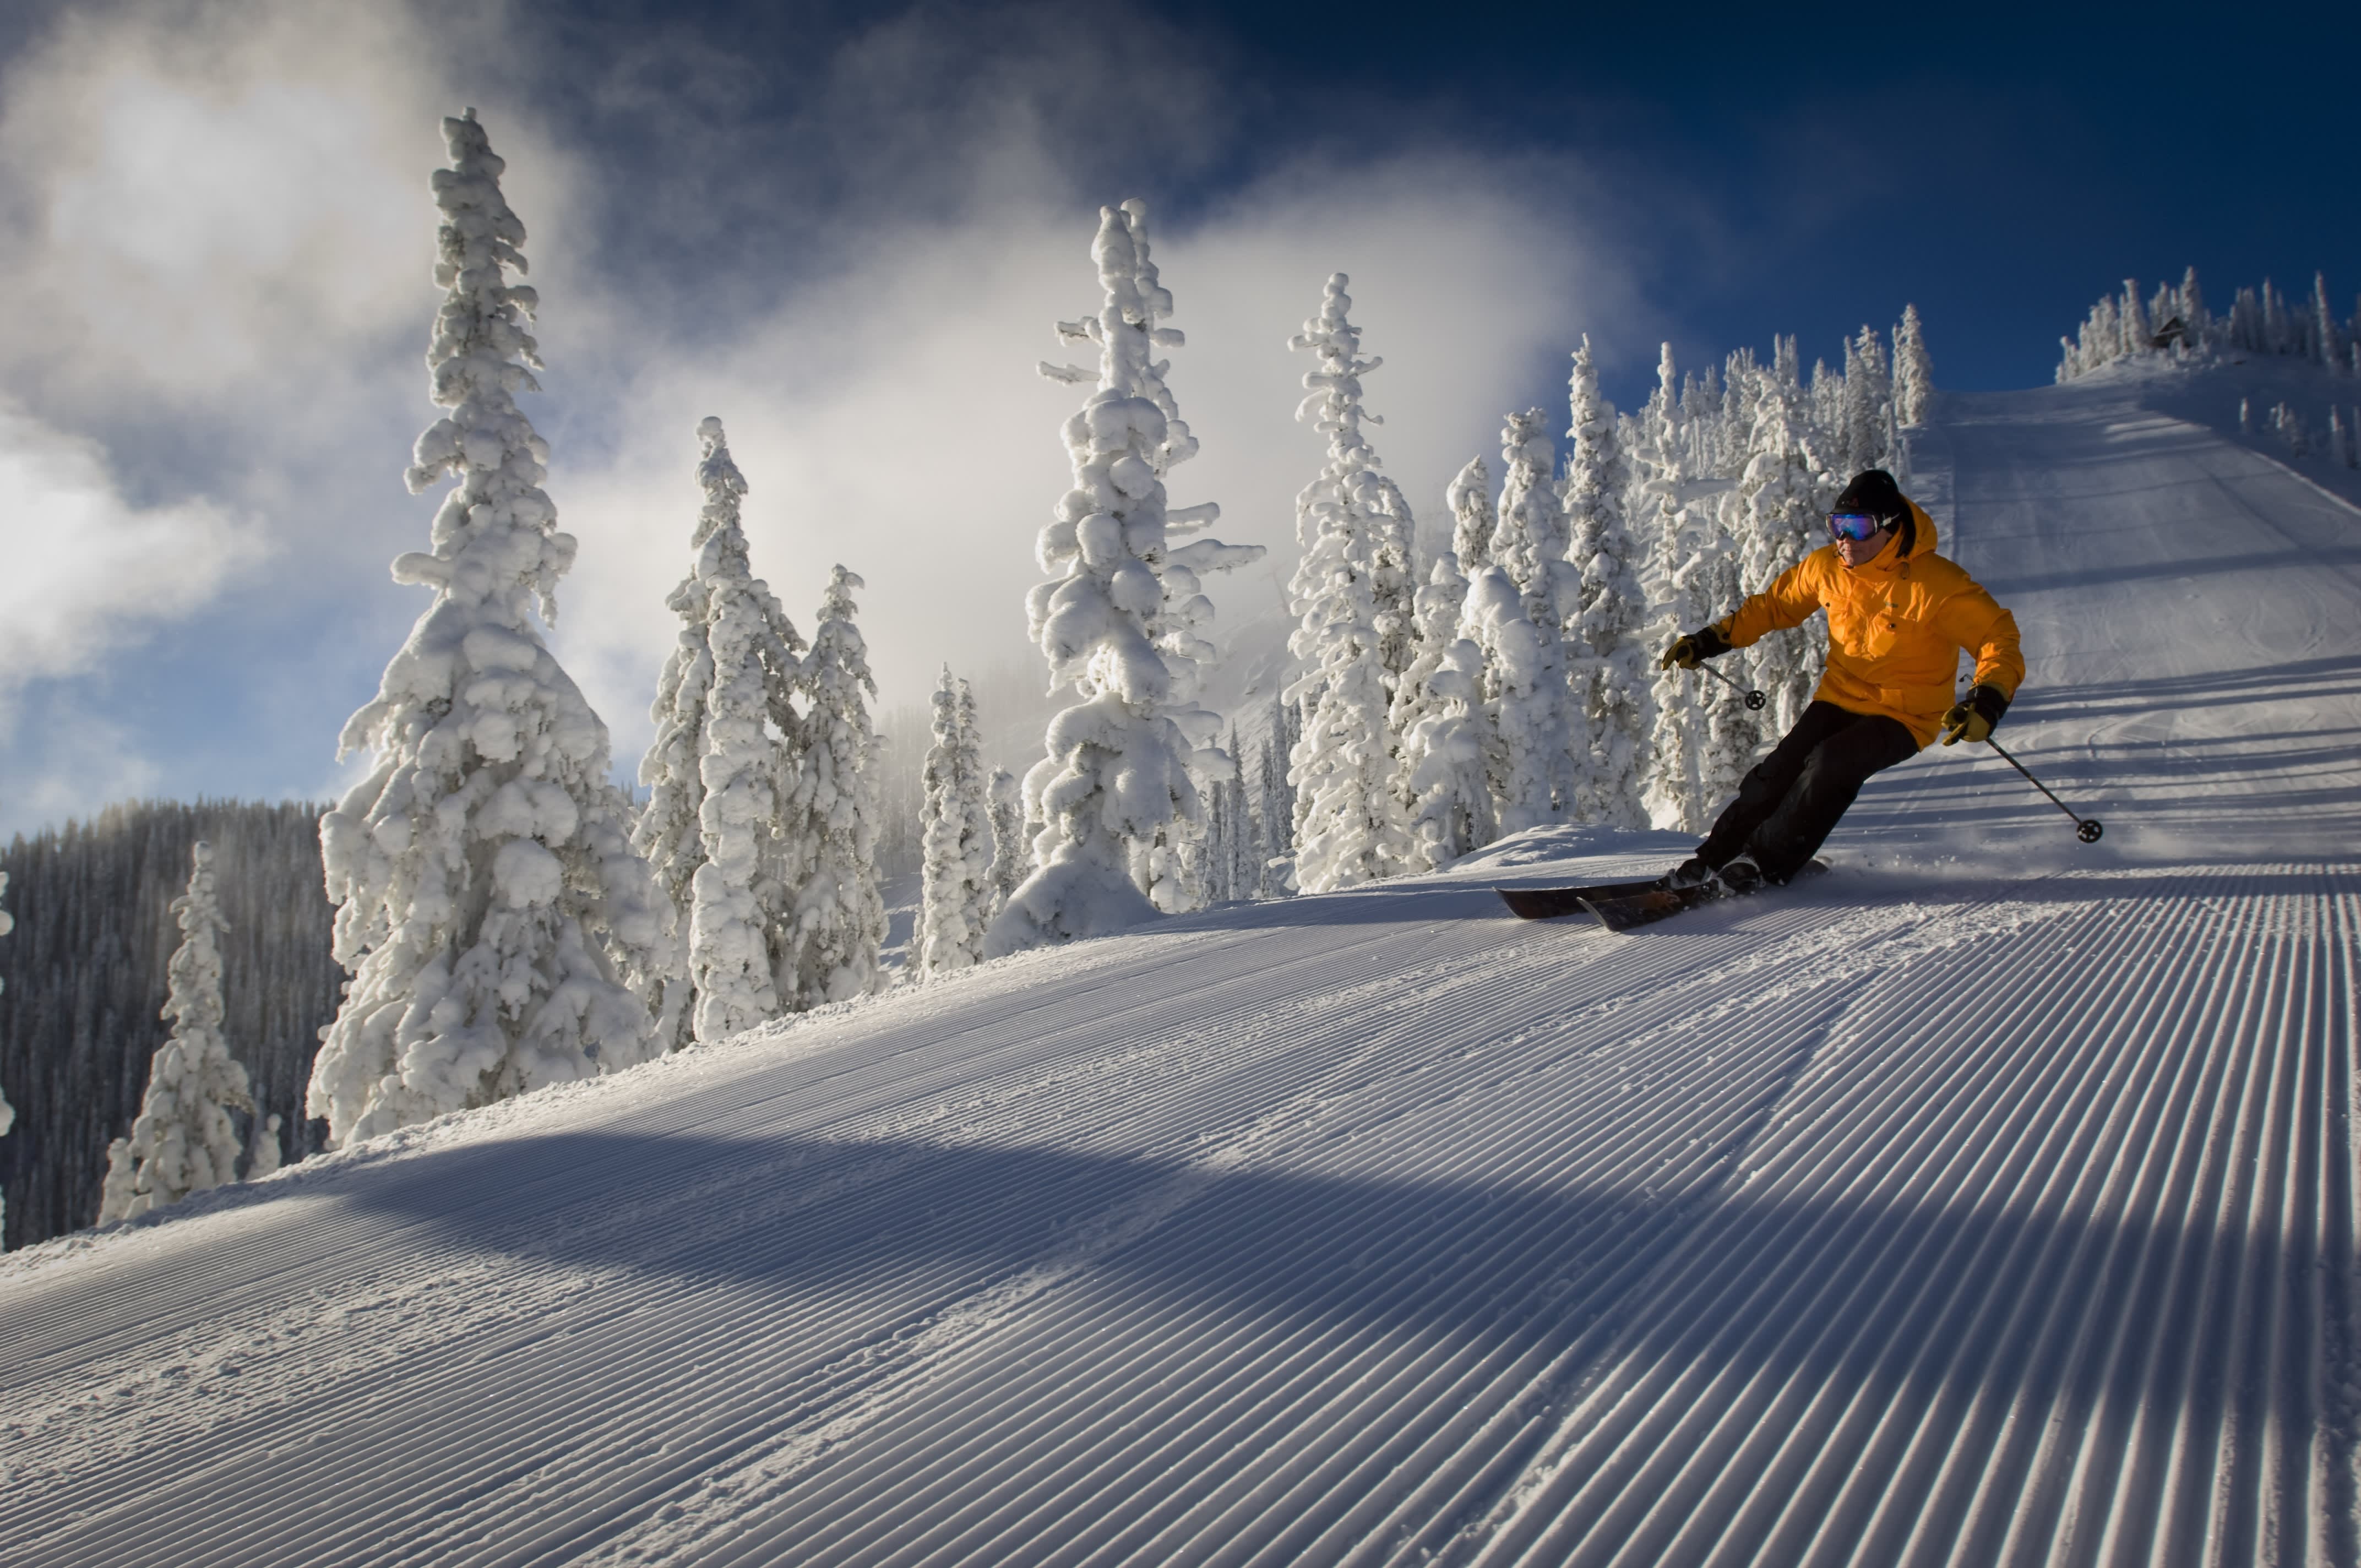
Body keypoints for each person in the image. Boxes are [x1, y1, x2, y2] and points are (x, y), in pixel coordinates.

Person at [1657, 468, 2023, 894]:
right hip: (1839, 697)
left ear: (1890, 528)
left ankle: (1763, 865)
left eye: (1858, 526)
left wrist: (1988, 700)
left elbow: (1997, 637)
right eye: (1837, 526)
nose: (1844, 539)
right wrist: (1710, 641)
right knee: (1775, 773)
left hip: (1906, 714)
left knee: (1831, 765)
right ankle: (1712, 859)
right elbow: (1775, 606)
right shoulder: (1827, 568)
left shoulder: (1938, 585)